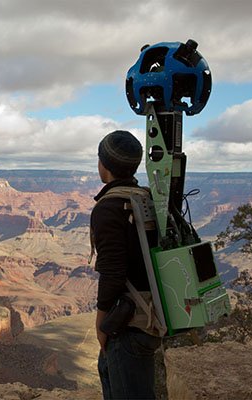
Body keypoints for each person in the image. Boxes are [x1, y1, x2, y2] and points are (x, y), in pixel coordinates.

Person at [91, 130, 162, 400]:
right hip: (149, 316)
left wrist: (101, 324)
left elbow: (112, 271)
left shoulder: (108, 208)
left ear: (103, 164)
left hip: (128, 324)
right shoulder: (145, 198)